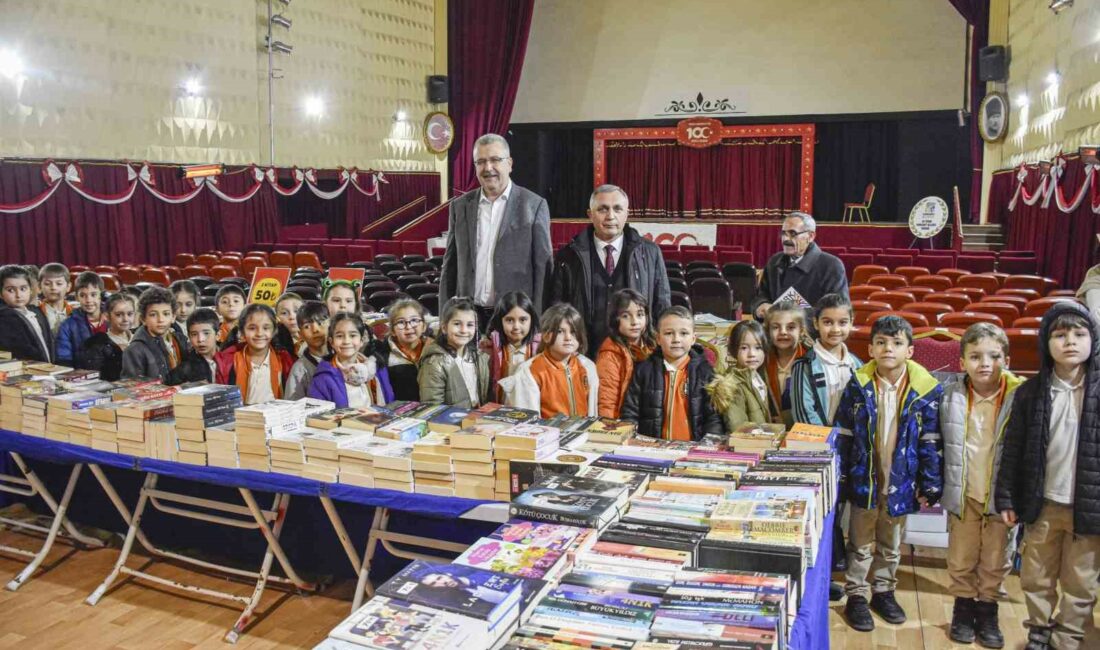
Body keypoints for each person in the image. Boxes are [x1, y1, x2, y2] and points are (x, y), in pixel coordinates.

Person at [995, 302, 1099, 650]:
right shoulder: (1029, 393)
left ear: (1092, 340)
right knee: (1036, 575)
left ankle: (1068, 636)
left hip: (1089, 509)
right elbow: (1012, 451)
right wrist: (1007, 498)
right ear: (1046, 342)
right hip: (1043, 503)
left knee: (1081, 581)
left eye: (1079, 334)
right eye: (1060, 334)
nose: (1070, 341)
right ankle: (1038, 630)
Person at [836, 315, 943, 633]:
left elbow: (932, 440)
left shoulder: (926, 391)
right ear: (870, 348)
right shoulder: (859, 384)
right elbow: (844, 432)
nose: (888, 349)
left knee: (891, 541)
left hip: (902, 481)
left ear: (910, 351)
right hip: (865, 477)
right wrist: (842, 475)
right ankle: (856, 594)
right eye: (881, 342)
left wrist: (931, 481)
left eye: (897, 343)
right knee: (860, 541)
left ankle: (883, 590)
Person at [940, 323, 1022, 647]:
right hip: (965, 493)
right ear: (961, 362)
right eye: (975, 356)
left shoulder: (1020, 397)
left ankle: (988, 609)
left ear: (1007, 360)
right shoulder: (950, 394)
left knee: (996, 558)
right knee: (961, 556)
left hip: (1002, 498)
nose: (984, 363)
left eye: (993, 356)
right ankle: (963, 608)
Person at [440, 133, 553, 328]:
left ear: (509, 163)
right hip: (468, 318)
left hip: (515, 319)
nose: (488, 168)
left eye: (495, 160)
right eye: (481, 161)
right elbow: (450, 265)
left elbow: (543, 268)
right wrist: (444, 315)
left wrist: (539, 321)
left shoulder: (534, 206)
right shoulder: (459, 207)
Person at [547, 184, 671, 357]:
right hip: (584, 356)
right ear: (590, 214)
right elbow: (557, 309)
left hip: (637, 357)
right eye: (603, 209)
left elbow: (662, 306)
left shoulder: (650, 252)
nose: (610, 216)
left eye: (617, 209)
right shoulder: (568, 256)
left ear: (627, 214)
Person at [621, 306, 723, 440]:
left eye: (684, 333)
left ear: (693, 338)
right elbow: (630, 413)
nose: (676, 339)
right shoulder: (644, 370)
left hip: (692, 451)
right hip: (651, 450)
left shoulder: (705, 373)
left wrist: (707, 446)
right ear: (658, 338)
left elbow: (713, 419)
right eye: (669, 333)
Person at [498, 303, 599, 418]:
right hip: (548, 434)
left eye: (573, 332)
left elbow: (592, 413)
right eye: (560, 331)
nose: (568, 338)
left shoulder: (587, 366)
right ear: (545, 336)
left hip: (582, 433)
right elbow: (527, 422)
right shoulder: (530, 371)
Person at [751, 212, 848, 320]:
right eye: (783, 233)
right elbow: (761, 295)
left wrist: (791, 314)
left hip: (813, 334)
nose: (785, 239)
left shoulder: (831, 266)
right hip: (775, 333)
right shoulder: (774, 262)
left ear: (810, 236)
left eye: (793, 234)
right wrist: (761, 305)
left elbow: (837, 310)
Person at [791, 293, 863, 426]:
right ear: (816, 323)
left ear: (851, 323)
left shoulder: (857, 365)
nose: (835, 329)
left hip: (852, 442)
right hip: (819, 443)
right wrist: (826, 443)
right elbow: (803, 414)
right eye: (827, 322)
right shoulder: (804, 366)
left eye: (842, 322)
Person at [214, 304, 294, 404]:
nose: (259, 333)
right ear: (242, 332)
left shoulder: (284, 360)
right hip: (241, 417)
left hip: (276, 415)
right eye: (252, 328)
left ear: (274, 331)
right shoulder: (227, 362)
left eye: (266, 328)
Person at [707, 320, 779, 432]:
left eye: (758, 347)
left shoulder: (757, 376)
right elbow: (739, 429)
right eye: (744, 348)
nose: (752, 354)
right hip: (748, 445)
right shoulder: (731, 385)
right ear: (734, 350)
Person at [308, 313, 392, 407]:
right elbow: (319, 418)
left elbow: (390, 404)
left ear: (362, 340)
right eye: (339, 336)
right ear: (331, 342)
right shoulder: (322, 379)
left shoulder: (377, 370)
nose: (346, 341)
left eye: (352, 335)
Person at [418, 297, 489, 407]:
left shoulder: (478, 356)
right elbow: (432, 409)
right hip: (451, 423)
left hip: (477, 420)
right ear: (444, 327)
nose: (464, 330)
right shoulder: (434, 363)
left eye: (470, 325)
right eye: (457, 324)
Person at [596, 289, 656, 418]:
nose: (634, 322)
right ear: (615, 319)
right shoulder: (609, 355)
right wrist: (610, 430)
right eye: (625, 316)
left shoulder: (654, 345)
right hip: (624, 419)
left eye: (640, 314)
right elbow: (607, 401)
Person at [121, 287, 190, 381]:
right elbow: (133, 387)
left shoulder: (181, 340)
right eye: (153, 315)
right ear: (143, 319)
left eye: (166, 314)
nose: (160, 320)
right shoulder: (134, 350)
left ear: (173, 317)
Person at [484, 291, 541, 403]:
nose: (516, 326)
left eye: (523, 320)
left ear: (531, 320)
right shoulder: (491, 349)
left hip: (530, 409)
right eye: (509, 320)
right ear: (500, 321)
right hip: (499, 409)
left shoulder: (540, 349)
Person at [372, 298, 430, 401]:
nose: (408, 326)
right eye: (401, 322)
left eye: (414, 320)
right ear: (392, 331)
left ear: (424, 326)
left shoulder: (435, 351)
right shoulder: (383, 356)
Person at [764, 302, 811, 427]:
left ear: (801, 330)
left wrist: (786, 419)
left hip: (801, 428)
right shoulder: (761, 360)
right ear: (767, 330)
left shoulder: (811, 360)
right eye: (775, 327)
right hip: (766, 428)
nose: (783, 332)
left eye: (790, 327)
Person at [78, 293, 136, 381]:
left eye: (130, 314)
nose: (125, 319)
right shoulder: (96, 345)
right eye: (118, 315)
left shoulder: (139, 339)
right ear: (106, 316)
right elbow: (95, 379)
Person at [56, 271, 107, 367]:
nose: (88, 300)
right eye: (83, 295)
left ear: (101, 295)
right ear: (76, 297)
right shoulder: (67, 326)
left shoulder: (113, 319)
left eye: (93, 295)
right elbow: (64, 360)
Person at [285, 301, 330, 400]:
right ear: (300, 334)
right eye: (307, 326)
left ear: (330, 325)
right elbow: (292, 405)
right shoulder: (299, 369)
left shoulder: (341, 357)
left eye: (321, 323)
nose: (315, 330)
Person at [166, 308, 221, 385]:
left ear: (218, 335)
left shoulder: (232, 359)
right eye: (194, 334)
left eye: (206, 333)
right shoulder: (185, 369)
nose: (200, 339)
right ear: (189, 336)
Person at [37, 263, 72, 336]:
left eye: (59, 284)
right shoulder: (35, 314)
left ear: (68, 287)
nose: (53, 287)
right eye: (47, 284)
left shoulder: (76, 312)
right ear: (39, 287)